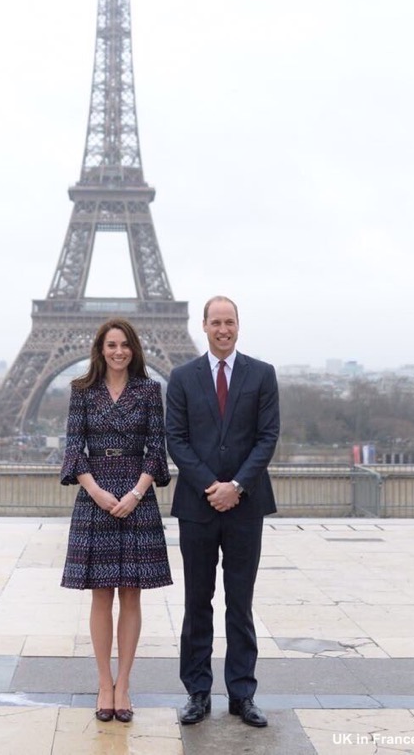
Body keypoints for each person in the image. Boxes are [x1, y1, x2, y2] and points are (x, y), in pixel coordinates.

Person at [165, 296, 279, 729]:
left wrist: (237, 486)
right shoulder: (181, 377)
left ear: (238, 326)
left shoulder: (262, 375)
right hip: (198, 505)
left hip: (245, 505)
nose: (223, 329)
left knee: (240, 603)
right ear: (204, 326)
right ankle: (197, 692)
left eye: (229, 322)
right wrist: (212, 486)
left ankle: (242, 693)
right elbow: (176, 439)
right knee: (198, 602)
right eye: (216, 322)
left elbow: (267, 438)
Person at [60, 318, 172, 724]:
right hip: (97, 494)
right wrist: (97, 491)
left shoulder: (149, 390)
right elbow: (74, 447)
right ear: (100, 349)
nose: (118, 351)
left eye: (125, 344)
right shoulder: (82, 392)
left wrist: (136, 493)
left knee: (131, 593)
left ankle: (123, 683)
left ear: (134, 348)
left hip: (136, 494)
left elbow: (156, 450)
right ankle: (103, 682)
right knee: (101, 595)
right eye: (111, 344)